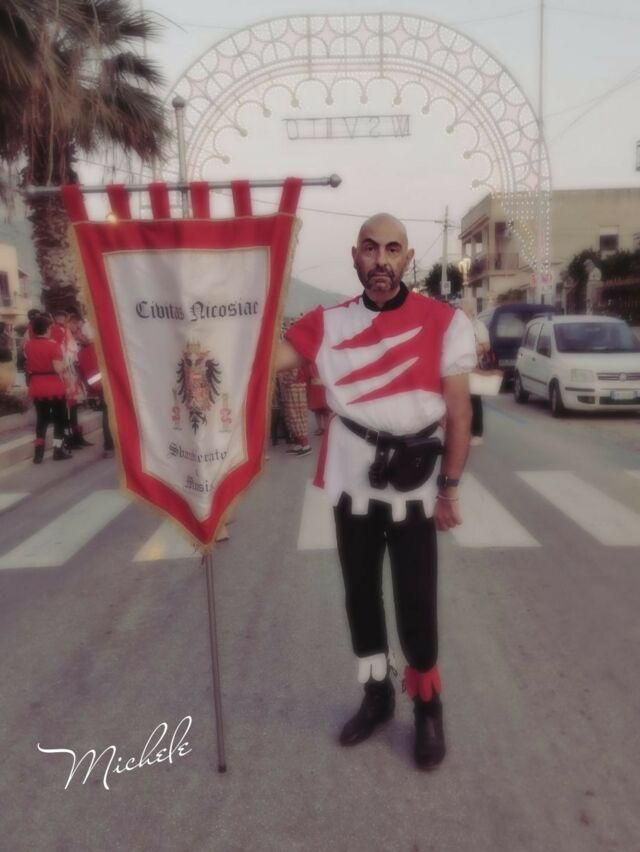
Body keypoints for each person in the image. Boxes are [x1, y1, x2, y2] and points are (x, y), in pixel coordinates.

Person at [276, 213, 475, 770]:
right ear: (355, 257)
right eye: (370, 248)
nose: (381, 259)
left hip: (415, 482)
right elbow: (268, 361)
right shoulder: (327, 322)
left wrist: (449, 489)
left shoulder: (444, 321)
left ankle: (428, 708)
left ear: (407, 258)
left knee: (416, 601)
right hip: (353, 478)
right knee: (361, 598)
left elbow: (459, 414)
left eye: (392, 249)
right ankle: (377, 695)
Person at [24, 314, 72, 462]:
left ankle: (38, 454)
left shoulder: (28, 345)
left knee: (42, 420)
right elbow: (58, 368)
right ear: (46, 329)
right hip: (53, 386)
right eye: (50, 328)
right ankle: (58, 450)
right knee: (59, 420)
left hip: (37, 385)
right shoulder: (53, 345)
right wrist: (66, 364)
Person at [460, 299, 490, 447]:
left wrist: (469, 352)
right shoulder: (457, 325)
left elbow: (486, 346)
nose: (462, 311)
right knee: (459, 401)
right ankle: (462, 432)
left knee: (475, 400)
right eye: (461, 308)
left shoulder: (478, 326)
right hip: (458, 368)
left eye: (464, 308)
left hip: (473, 366)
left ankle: (477, 434)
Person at [279, 364, 312, 457]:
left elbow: (293, 376)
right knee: (291, 418)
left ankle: (306, 446)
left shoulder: (294, 363)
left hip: (296, 389)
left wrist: (282, 375)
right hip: (290, 389)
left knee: (297, 417)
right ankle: (299, 445)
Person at [306, 361, 330, 435]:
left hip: (323, 388)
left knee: (325, 411)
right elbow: (308, 377)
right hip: (315, 389)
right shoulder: (310, 365)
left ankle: (326, 428)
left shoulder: (323, 363)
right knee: (317, 411)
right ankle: (320, 427)